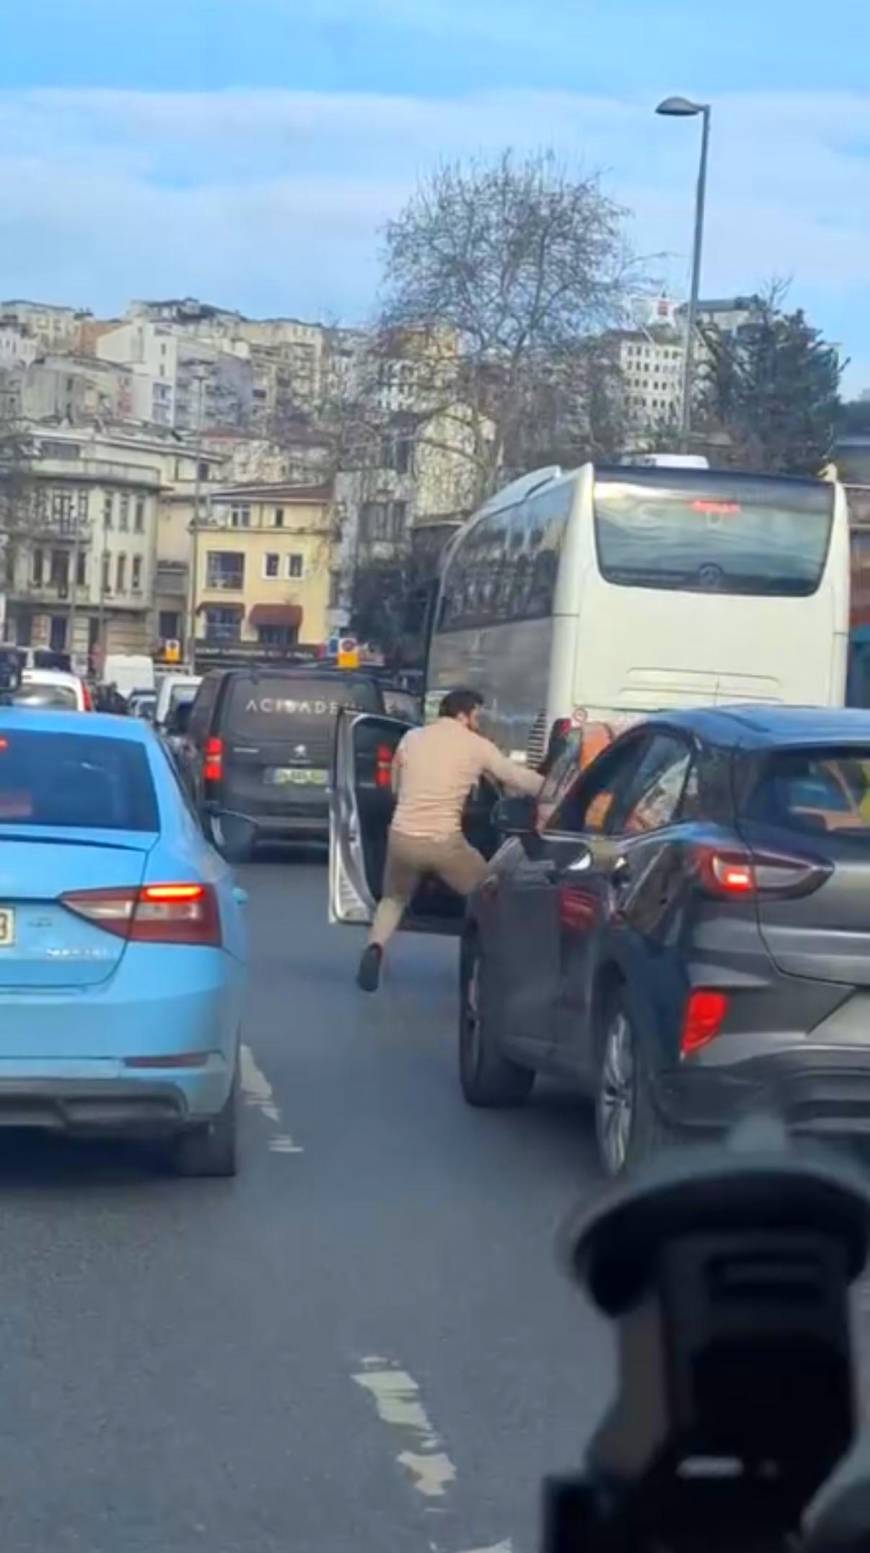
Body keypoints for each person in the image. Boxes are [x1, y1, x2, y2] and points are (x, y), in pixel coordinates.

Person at [357, 688, 544, 992]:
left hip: (402, 836)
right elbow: (513, 777)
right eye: (476, 715)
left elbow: (395, 787)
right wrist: (555, 789)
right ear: (463, 715)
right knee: (491, 891)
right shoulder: (475, 745)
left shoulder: (411, 739)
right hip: (445, 843)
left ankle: (375, 948)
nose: (478, 721)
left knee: (393, 899)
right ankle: (502, 965)